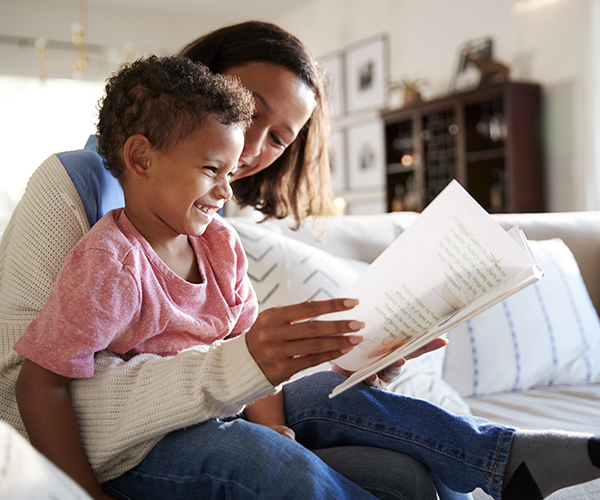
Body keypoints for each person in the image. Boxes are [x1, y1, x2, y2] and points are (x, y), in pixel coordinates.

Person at [3, 21, 599, 500]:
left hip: (222, 414)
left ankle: (505, 458)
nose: (246, 158)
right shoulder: (101, 236)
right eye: (247, 112)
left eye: (279, 138)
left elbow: (243, 354)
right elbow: (30, 389)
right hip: (140, 444)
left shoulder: (213, 236)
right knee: (269, 461)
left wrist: (362, 360)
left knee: (392, 459)